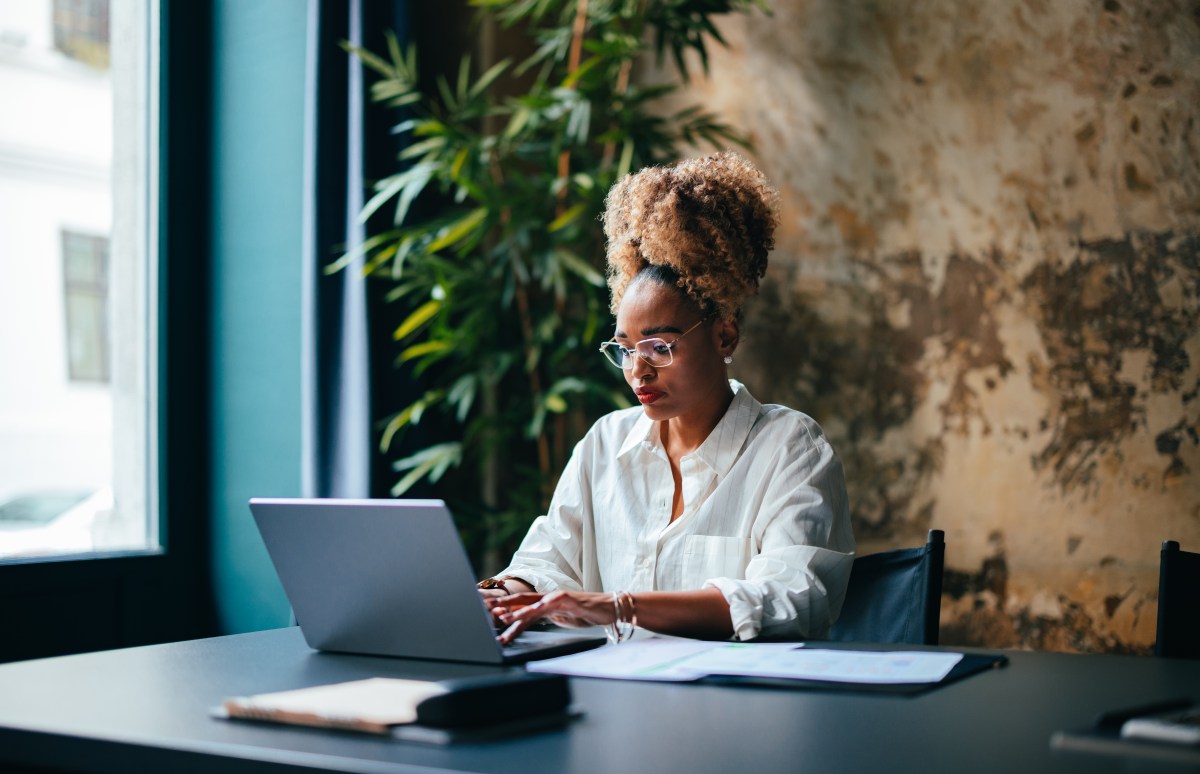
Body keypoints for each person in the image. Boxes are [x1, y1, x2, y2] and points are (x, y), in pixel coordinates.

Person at [480, 151, 855, 644]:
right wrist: (501, 592)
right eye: (625, 349)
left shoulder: (789, 448)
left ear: (724, 336)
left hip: (737, 707)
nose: (638, 370)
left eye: (659, 346)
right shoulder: (604, 445)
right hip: (616, 698)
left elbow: (792, 595)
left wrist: (619, 606)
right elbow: (547, 560)